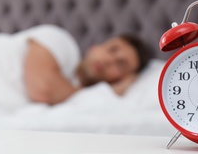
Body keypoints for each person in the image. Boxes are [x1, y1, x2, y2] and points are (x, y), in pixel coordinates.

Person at [23, 25, 153, 105]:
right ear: (94, 48)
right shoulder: (60, 41)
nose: (109, 61)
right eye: (111, 49)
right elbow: (42, 90)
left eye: (120, 65)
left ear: (122, 79)